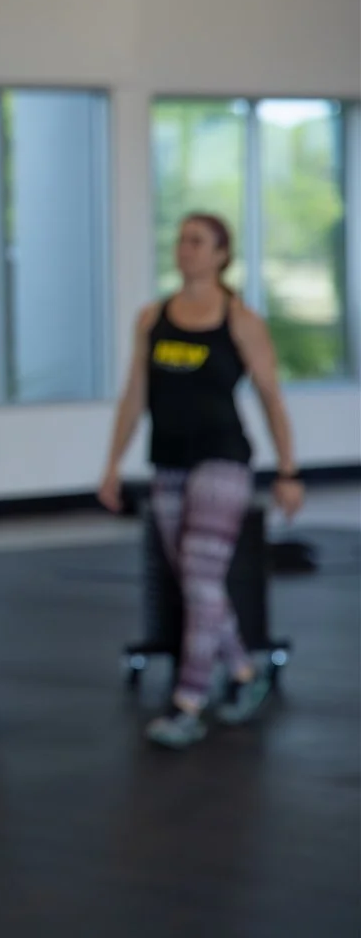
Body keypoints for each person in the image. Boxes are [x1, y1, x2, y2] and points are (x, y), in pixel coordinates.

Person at [100, 212, 305, 750]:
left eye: (197, 241)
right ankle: (243, 673)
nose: (185, 249)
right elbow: (133, 396)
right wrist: (111, 464)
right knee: (200, 583)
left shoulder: (240, 320)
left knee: (198, 579)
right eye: (182, 240)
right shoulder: (152, 319)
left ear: (220, 254)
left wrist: (288, 471)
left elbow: (271, 397)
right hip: (168, 463)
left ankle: (188, 702)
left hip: (224, 461)